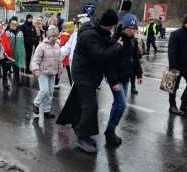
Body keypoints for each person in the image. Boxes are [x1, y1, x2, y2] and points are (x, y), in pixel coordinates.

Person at [56, 9, 122, 153]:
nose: (112, 29)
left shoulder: (97, 31)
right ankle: (82, 137)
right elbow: (100, 54)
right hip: (83, 74)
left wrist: (115, 37)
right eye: (112, 27)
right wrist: (117, 46)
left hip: (89, 74)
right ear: (108, 24)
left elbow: (104, 43)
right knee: (90, 106)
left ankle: (79, 127)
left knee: (80, 103)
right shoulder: (89, 35)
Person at [105, 14, 143, 147]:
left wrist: (139, 74)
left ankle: (111, 130)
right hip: (116, 79)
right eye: (130, 28)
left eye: (134, 28)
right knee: (121, 104)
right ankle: (110, 131)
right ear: (125, 27)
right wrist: (114, 81)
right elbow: (109, 62)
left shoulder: (133, 41)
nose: (133, 31)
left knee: (118, 104)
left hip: (126, 77)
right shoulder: (116, 39)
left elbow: (135, 59)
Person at [31, 25, 62, 119]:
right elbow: (35, 59)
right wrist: (36, 69)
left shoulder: (57, 46)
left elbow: (59, 60)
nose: (54, 38)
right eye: (52, 36)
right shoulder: (41, 46)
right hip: (42, 72)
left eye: (56, 36)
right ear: (48, 36)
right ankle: (36, 103)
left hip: (52, 73)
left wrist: (59, 71)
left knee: (50, 93)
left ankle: (46, 111)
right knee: (44, 90)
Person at [168, 14, 187, 115]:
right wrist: (172, 67)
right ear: (186, 23)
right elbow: (171, 51)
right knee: (173, 87)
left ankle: (184, 103)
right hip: (177, 66)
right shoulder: (176, 34)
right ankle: (172, 106)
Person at [6, 19, 26, 86]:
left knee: (16, 67)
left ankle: (17, 80)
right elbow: (5, 43)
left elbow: (22, 43)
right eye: (12, 24)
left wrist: (23, 51)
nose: (13, 26)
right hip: (9, 52)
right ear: (10, 25)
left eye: (15, 25)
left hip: (17, 52)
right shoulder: (8, 32)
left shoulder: (20, 33)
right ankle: (5, 81)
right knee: (7, 66)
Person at [55, 21, 75, 88]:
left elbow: (62, 44)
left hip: (64, 54)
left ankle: (56, 83)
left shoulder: (64, 35)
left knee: (60, 70)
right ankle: (71, 83)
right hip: (66, 55)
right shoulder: (69, 35)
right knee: (69, 71)